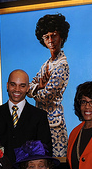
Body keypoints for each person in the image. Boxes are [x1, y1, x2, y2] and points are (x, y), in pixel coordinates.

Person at [27, 13, 70, 157]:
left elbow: (46, 97)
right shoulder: (46, 64)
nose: (50, 40)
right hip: (40, 124)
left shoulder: (61, 65)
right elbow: (28, 87)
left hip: (55, 125)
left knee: (56, 166)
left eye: (54, 35)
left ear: (62, 36)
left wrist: (37, 90)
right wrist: (39, 86)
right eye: (46, 37)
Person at [0, 69, 52, 164]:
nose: (17, 89)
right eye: (13, 84)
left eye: (22, 86)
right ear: (7, 86)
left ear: (28, 88)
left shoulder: (39, 116)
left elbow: (46, 152)